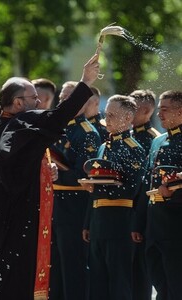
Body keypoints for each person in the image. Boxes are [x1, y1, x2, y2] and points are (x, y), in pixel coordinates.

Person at [0, 52, 100, 300]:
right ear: (18, 103)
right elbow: (58, 117)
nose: (40, 103)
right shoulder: (20, 122)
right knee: (12, 277)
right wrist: (85, 81)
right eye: (34, 98)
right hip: (13, 213)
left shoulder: (5, 124)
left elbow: (20, 160)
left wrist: (43, 171)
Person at [82, 95, 146, 300]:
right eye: (106, 114)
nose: (106, 119)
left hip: (120, 221)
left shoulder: (134, 148)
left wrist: (101, 188)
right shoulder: (103, 146)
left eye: (112, 115)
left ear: (128, 118)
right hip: (99, 220)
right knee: (97, 282)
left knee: (120, 282)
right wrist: (88, 222)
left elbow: (131, 189)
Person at [49, 81, 101, 300]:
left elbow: (84, 174)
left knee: (73, 266)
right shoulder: (56, 127)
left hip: (74, 206)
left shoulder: (87, 133)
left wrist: (57, 172)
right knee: (53, 264)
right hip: (53, 203)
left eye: (69, 98)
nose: (62, 101)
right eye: (62, 97)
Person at [132, 90, 182, 300]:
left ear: (180, 112)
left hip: (176, 224)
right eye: (159, 110)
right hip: (154, 224)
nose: (159, 115)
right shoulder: (157, 142)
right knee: (159, 282)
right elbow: (147, 182)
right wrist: (138, 222)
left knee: (177, 284)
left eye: (164, 110)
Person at [129, 89, 160, 300]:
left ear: (147, 111)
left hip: (143, 213)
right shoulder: (127, 136)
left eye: (133, 108)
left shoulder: (153, 140)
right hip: (123, 211)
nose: (127, 113)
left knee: (141, 271)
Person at [130, 89, 161, 156]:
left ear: (146, 111)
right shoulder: (128, 135)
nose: (128, 112)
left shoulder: (156, 139)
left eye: (133, 108)